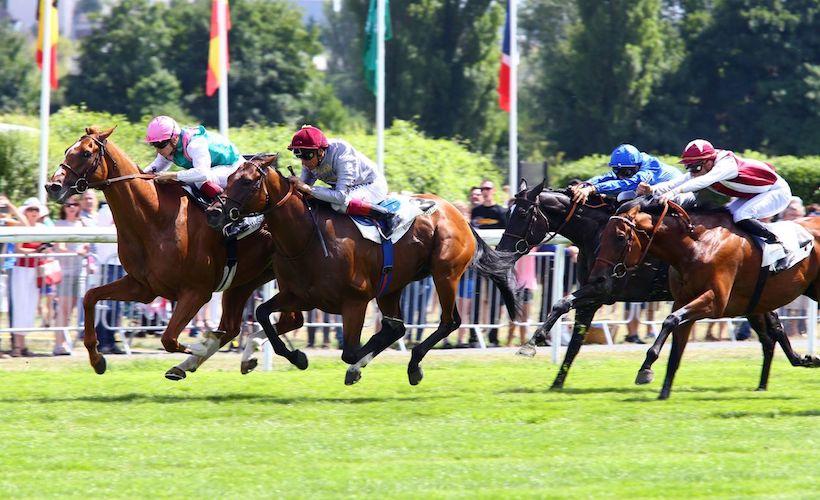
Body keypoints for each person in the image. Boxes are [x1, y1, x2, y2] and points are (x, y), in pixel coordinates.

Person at [640, 139, 793, 266]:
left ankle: (780, 246)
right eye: (689, 166)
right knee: (725, 216)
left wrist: (674, 193)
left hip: (776, 192)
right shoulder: (705, 166)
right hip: (754, 194)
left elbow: (703, 181)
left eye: (695, 166)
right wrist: (651, 190)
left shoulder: (725, 165)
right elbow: (678, 181)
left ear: (708, 162)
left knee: (741, 215)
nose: (692, 171)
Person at [142, 115, 262, 238]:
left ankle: (240, 217)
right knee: (182, 182)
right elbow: (154, 168)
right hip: (214, 168)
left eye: (160, 145)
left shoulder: (195, 144)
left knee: (199, 180)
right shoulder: (170, 147)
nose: (157, 150)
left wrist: (173, 175)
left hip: (235, 168)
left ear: (174, 138)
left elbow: (202, 173)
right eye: (154, 145)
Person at [286, 125, 399, 236]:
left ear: (320, 152)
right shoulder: (311, 160)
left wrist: (308, 188)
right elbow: (303, 191)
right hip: (348, 189)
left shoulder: (342, 154)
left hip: (372, 185)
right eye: (299, 156)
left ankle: (387, 215)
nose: (303, 162)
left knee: (339, 205)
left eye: (306, 156)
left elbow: (341, 197)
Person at [571, 144, 692, 204]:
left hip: (682, 195)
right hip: (657, 194)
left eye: (626, 172)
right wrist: (586, 184)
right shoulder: (633, 163)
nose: (621, 175)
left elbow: (629, 183)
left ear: (637, 166)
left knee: (626, 195)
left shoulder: (650, 166)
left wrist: (593, 189)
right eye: (617, 171)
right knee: (622, 197)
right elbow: (607, 176)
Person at [9, 198, 50, 357]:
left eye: (36, 210)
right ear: (25, 211)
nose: (33, 213)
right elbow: (18, 250)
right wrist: (36, 252)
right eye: (30, 209)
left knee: (30, 307)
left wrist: (44, 251)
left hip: (35, 270)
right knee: (20, 305)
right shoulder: (21, 227)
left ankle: (22, 344)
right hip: (21, 270)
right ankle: (17, 346)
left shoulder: (41, 228)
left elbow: (47, 248)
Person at [53, 195, 91, 355]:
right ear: (63, 207)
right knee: (64, 308)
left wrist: (83, 252)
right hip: (65, 272)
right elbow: (58, 247)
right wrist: (77, 252)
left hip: (79, 272)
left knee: (71, 309)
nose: (71, 207)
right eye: (68, 205)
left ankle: (63, 340)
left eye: (74, 204)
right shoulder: (59, 224)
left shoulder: (82, 223)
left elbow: (87, 246)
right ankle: (59, 344)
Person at [470, 180, 506, 346]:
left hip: (493, 261)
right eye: (483, 188)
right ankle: (473, 335)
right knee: (476, 298)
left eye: (488, 188)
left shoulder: (501, 212)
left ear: (493, 190)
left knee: (494, 299)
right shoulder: (476, 211)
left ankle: (493, 336)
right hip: (478, 260)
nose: (485, 191)